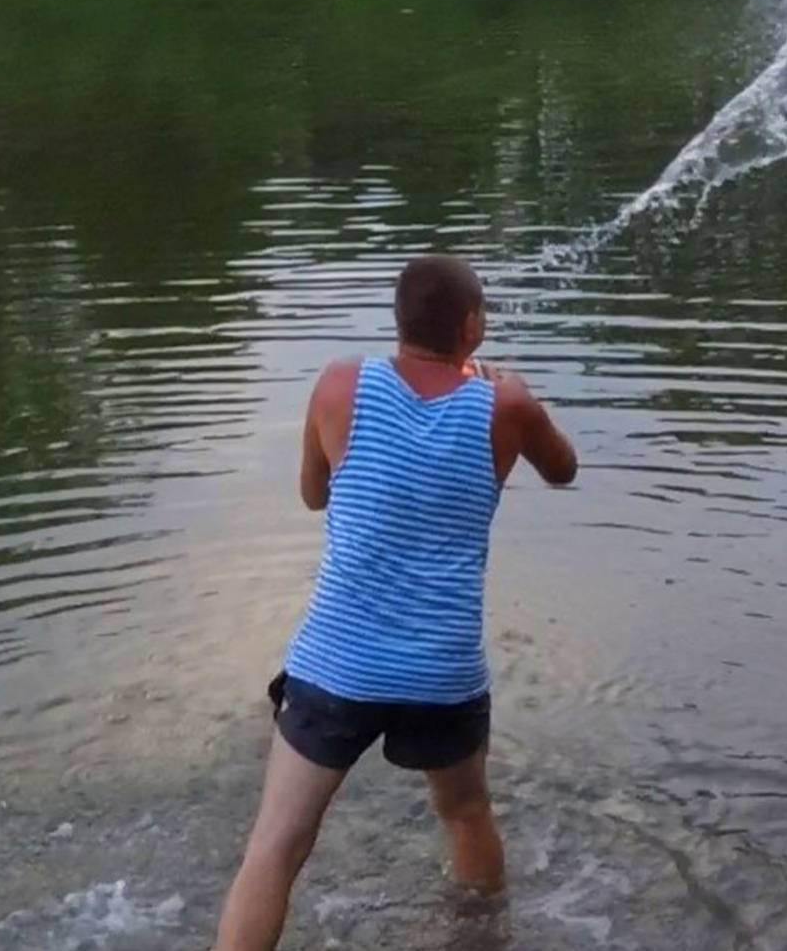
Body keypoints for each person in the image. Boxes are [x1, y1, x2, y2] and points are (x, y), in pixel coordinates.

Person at [214, 255, 578, 951]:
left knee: (275, 846)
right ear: (472, 325)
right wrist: (523, 394)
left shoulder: (338, 386)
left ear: (400, 321)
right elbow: (563, 470)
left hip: (336, 666)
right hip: (441, 672)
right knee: (467, 812)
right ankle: (478, 940)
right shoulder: (506, 405)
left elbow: (314, 494)